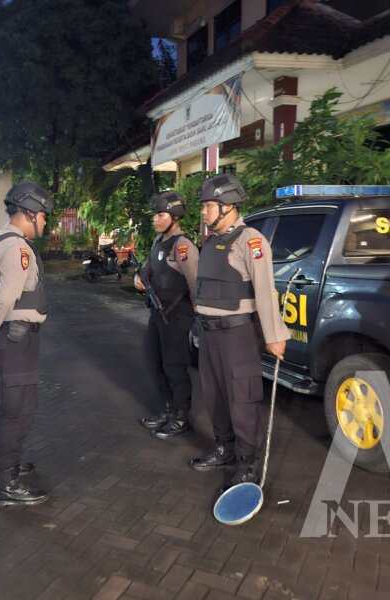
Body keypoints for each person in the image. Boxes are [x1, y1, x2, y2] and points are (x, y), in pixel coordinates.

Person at [189, 173, 289, 487]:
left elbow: (265, 290)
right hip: (208, 335)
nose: (204, 212)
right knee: (214, 396)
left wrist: (274, 335)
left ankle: (248, 463)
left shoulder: (251, 241)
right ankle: (224, 449)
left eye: (209, 206)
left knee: (242, 400)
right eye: (204, 206)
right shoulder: (210, 242)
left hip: (237, 335)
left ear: (228, 206)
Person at [0, 181, 53, 507]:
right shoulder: (16, 248)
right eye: (43, 216)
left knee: (6, 405)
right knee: (17, 411)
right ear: (29, 214)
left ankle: (3, 464)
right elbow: (4, 297)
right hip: (14, 340)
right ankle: (8, 481)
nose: (45, 222)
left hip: (7, 338)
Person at [134, 191, 199, 439]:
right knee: (153, 361)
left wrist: (197, 321)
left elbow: (195, 285)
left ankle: (182, 417)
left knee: (175, 367)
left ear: (174, 216)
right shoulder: (158, 243)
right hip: (157, 314)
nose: (155, 219)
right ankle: (167, 410)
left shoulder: (183, 246)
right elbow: (146, 271)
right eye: (155, 215)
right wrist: (138, 279)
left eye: (160, 215)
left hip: (178, 317)